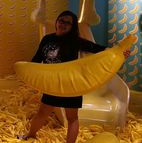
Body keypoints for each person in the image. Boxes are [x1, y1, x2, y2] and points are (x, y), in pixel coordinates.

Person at [19, 10, 131, 143]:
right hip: (52, 84)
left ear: (72, 27)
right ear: (57, 22)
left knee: (72, 118)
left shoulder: (76, 41)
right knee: (42, 113)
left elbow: (99, 49)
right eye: (61, 20)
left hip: (71, 85)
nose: (63, 24)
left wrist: (119, 53)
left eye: (68, 23)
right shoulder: (47, 39)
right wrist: (29, 71)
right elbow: (37, 59)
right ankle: (30, 135)